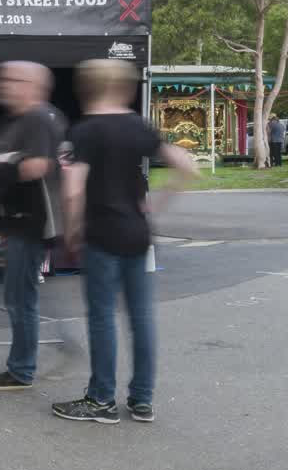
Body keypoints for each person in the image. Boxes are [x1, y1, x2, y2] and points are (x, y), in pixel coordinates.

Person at [52, 60, 197, 424]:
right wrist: (154, 206)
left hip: (102, 235)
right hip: (139, 234)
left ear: (88, 88)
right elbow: (186, 165)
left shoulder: (86, 130)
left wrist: (70, 231)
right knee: (142, 318)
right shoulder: (139, 126)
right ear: (126, 88)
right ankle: (142, 399)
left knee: (102, 317)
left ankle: (101, 399)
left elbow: (72, 190)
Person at [0, 61, 66, 392]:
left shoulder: (37, 119)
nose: (2, 85)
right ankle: (38, 354)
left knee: (20, 297)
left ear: (32, 85)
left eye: (11, 80)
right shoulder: (26, 119)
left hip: (30, 223)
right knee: (20, 295)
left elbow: (36, 166)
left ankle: (21, 369)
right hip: (20, 221)